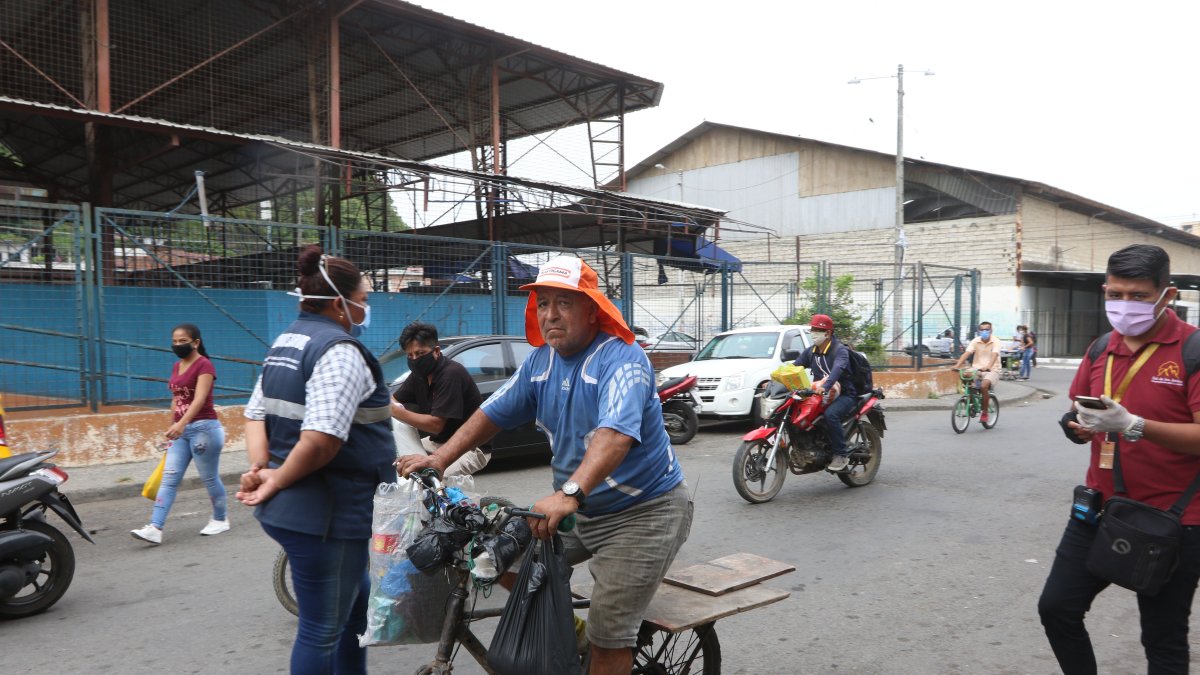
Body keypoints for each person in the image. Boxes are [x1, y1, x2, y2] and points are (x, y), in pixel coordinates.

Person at [396, 255, 691, 675]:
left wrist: (569, 493)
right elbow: (492, 413)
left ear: (592, 309)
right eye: (543, 303)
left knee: (610, 630)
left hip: (644, 514)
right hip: (580, 510)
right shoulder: (540, 361)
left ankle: (601, 649)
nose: (550, 314)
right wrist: (439, 459)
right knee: (499, 560)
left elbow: (615, 436)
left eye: (564, 303)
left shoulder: (623, 359)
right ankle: (571, 638)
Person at [1038, 244, 1200, 674]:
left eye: (1138, 296)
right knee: (1057, 608)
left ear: (1168, 295)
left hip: (1175, 518)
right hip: (1100, 508)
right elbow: (1081, 411)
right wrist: (1077, 425)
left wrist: (1133, 424)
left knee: (1163, 638)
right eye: (1115, 294)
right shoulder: (1100, 348)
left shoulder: (1192, 350)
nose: (1124, 305)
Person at [236, 246, 396, 675]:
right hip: (327, 514)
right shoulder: (338, 352)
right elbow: (321, 440)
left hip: (303, 509)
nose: (366, 306)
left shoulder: (287, 341)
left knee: (355, 610)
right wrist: (273, 478)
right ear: (341, 304)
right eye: (363, 298)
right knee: (320, 632)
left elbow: (255, 413)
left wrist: (261, 468)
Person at [131, 323, 227, 545]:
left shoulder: (205, 365)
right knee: (170, 478)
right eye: (174, 341)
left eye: (182, 341)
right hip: (180, 432)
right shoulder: (177, 366)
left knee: (209, 478)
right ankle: (155, 527)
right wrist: (172, 427)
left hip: (204, 429)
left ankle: (221, 519)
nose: (177, 345)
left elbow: (200, 399)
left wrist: (182, 424)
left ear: (196, 343)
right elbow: (176, 399)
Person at [390, 321, 490, 475]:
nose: (415, 359)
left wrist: (396, 412)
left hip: (470, 449)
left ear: (436, 351)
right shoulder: (419, 375)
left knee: (428, 479)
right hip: (437, 443)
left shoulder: (450, 375)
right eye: (410, 355)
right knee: (395, 459)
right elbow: (395, 400)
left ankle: (457, 499)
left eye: (420, 353)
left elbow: (435, 425)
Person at [791, 314, 858, 471]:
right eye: (812, 329)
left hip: (846, 394)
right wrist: (774, 381)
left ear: (827, 333)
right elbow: (794, 368)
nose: (813, 333)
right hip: (820, 395)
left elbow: (838, 368)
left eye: (817, 330)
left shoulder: (840, 350)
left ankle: (841, 454)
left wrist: (826, 385)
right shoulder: (811, 352)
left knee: (831, 415)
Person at [951, 321, 1002, 424]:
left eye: (987, 329)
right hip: (977, 369)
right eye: (982, 329)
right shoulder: (975, 341)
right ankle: (972, 397)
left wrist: (988, 366)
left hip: (992, 370)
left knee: (984, 386)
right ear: (979, 331)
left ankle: (985, 413)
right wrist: (958, 365)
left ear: (991, 330)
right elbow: (967, 353)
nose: (984, 331)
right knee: (965, 375)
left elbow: (994, 355)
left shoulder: (996, 341)